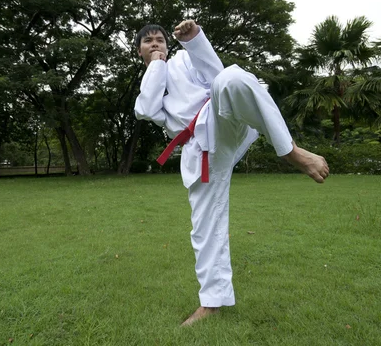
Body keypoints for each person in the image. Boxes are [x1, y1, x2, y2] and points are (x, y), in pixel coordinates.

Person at [134, 20, 329, 326]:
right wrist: (156, 67)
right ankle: (212, 303)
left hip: (223, 121)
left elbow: (215, 76)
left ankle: (291, 150)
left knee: (231, 78)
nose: (156, 43)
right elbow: (146, 108)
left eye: (160, 39)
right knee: (203, 230)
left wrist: (195, 40)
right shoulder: (152, 80)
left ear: (169, 44)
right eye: (148, 42)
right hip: (202, 152)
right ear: (139, 51)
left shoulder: (184, 59)